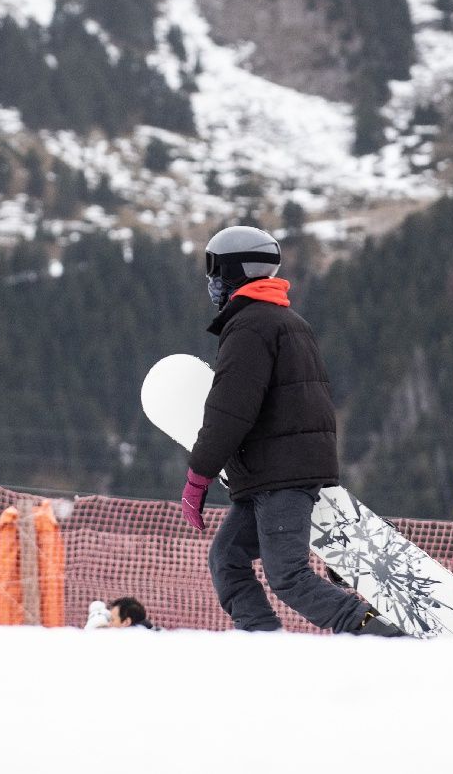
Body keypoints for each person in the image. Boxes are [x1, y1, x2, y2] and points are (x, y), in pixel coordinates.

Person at [179, 225, 403, 637]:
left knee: (287, 575)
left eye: (215, 270)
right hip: (274, 473)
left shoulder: (250, 327)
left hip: (280, 476)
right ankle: (262, 636)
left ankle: (376, 634)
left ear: (235, 271)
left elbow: (229, 411)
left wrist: (198, 477)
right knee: (226, 558)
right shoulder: (287, 320)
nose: (210, 281)